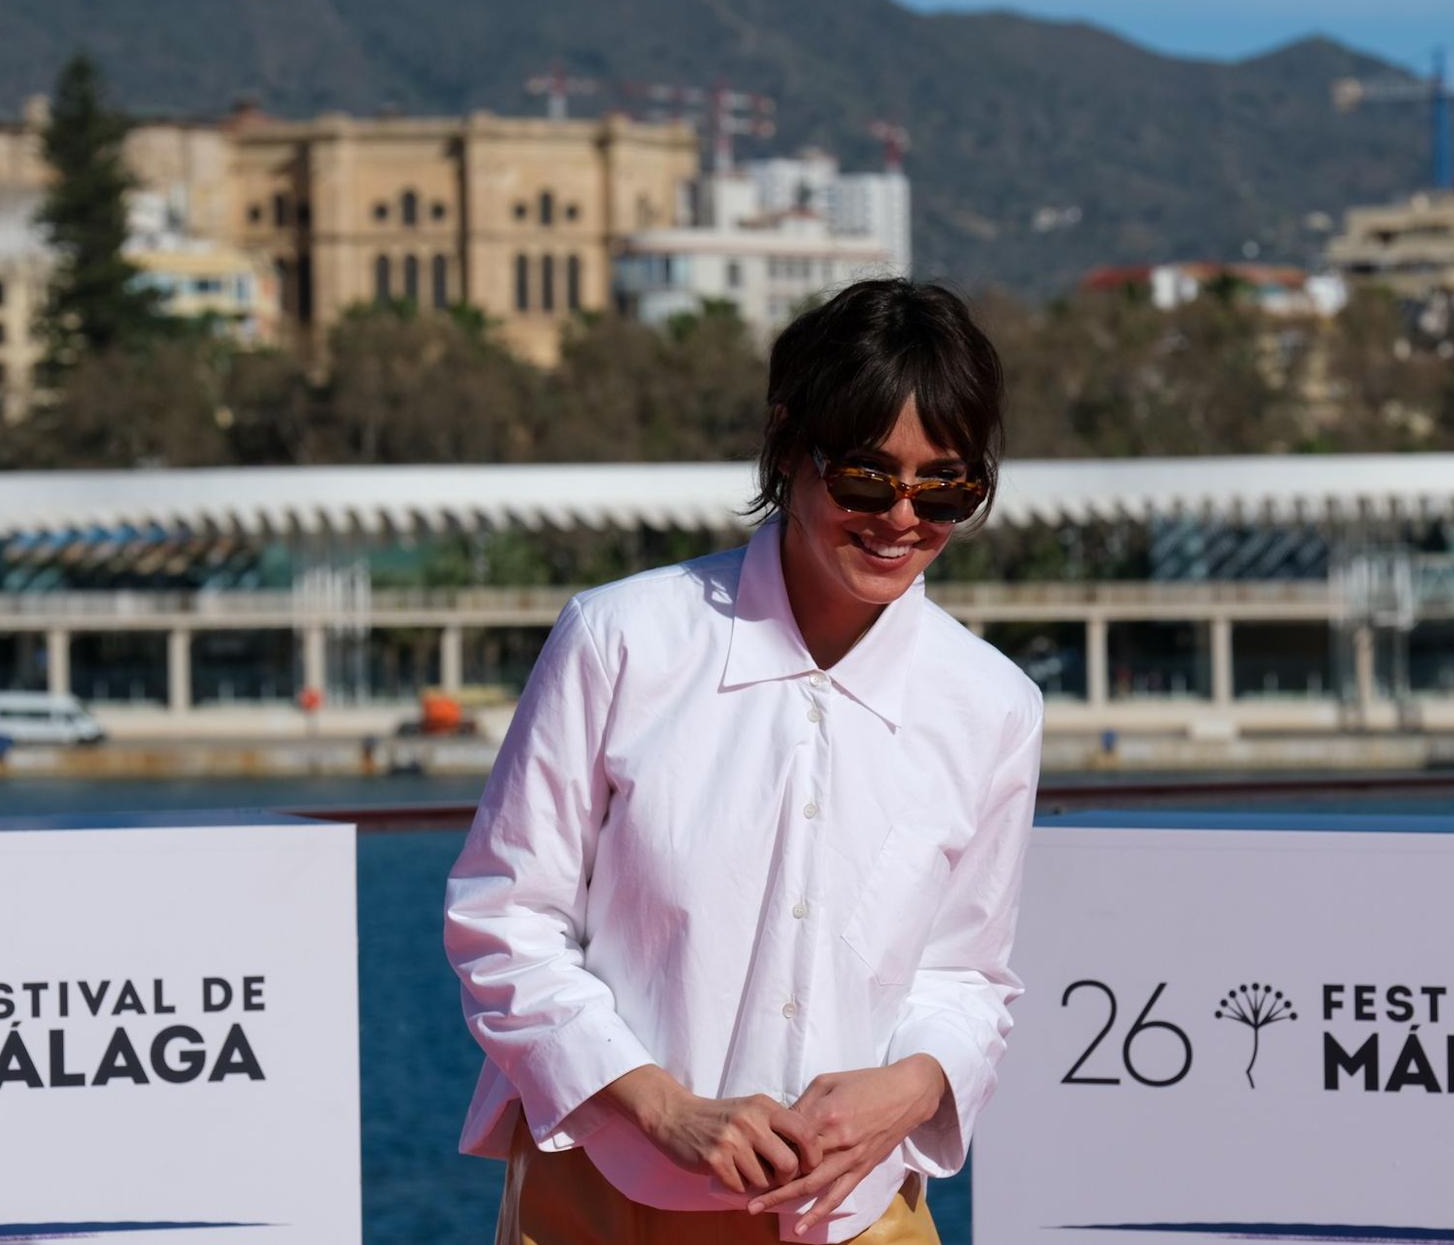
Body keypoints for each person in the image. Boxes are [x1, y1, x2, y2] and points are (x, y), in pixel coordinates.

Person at [444, 278, 1046, 1245]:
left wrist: (909, 1086)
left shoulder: (994, 706)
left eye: (946, 487)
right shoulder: (621, 640)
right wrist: (662, 1108)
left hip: (858, 1218)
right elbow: (505, 918)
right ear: (787, 445)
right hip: (606, 1206)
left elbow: (967, 974)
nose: (901, 517)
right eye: (863, 476)